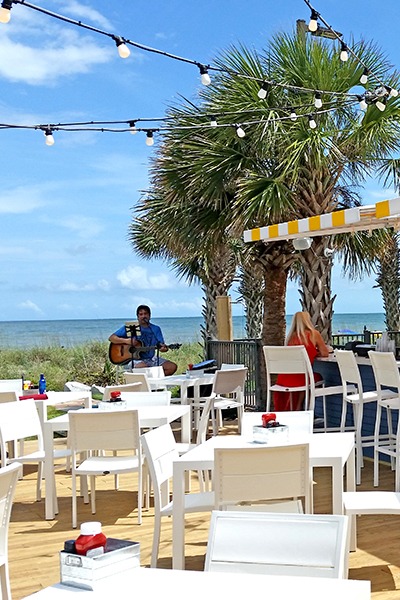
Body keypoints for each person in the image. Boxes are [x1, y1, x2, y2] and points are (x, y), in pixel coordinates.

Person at [273, 311, 330, 411]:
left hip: (284, 379)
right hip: (302, 378)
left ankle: (298, 408)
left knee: (304, 380)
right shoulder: (314, 334)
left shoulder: (290, 337)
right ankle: (307, 409)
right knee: (314, 378)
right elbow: (325, 353)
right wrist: (316, 353)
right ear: (307, 321)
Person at [109, 305, 177, 375]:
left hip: (151, 359)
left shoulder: (156, 329)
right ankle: (147, 383)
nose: (143, 316)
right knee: (145, 368)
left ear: (149, 316)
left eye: (146, 314)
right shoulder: (131, 327)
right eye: (141, 314)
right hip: (133, 360)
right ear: (138, 317)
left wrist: (163, 349)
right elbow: (111, 338)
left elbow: (162, 346)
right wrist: (126, 341)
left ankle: (154, 384)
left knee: (172, 367)